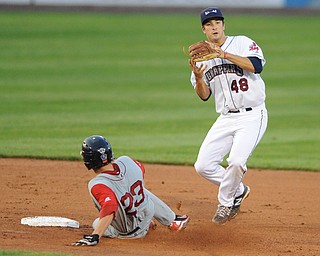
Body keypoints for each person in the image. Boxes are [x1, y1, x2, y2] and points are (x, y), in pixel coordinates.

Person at [188, 7, 268, 225]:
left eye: (217, 23)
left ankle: (226, 203)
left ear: (223, 25)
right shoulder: (201, 58)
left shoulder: (242, 42)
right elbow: (204, 96)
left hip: (252, 115)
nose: (214, 27)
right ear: (203, 29)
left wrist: (223, 54)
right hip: (226, 118)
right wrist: (199, 77)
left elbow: (256, 65)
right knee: (203, 165)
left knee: (236, 161)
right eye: (209, 24)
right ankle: (239, 190)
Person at [73, 135, 190, 246]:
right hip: (147, 213)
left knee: (97, 223)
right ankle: (172, 220)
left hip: (131, 233)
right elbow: (141, 170)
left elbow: (110, 206)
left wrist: (95, 236)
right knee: (134, 188)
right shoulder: (126, 161)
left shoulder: (98, 184)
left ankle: (141, 226)